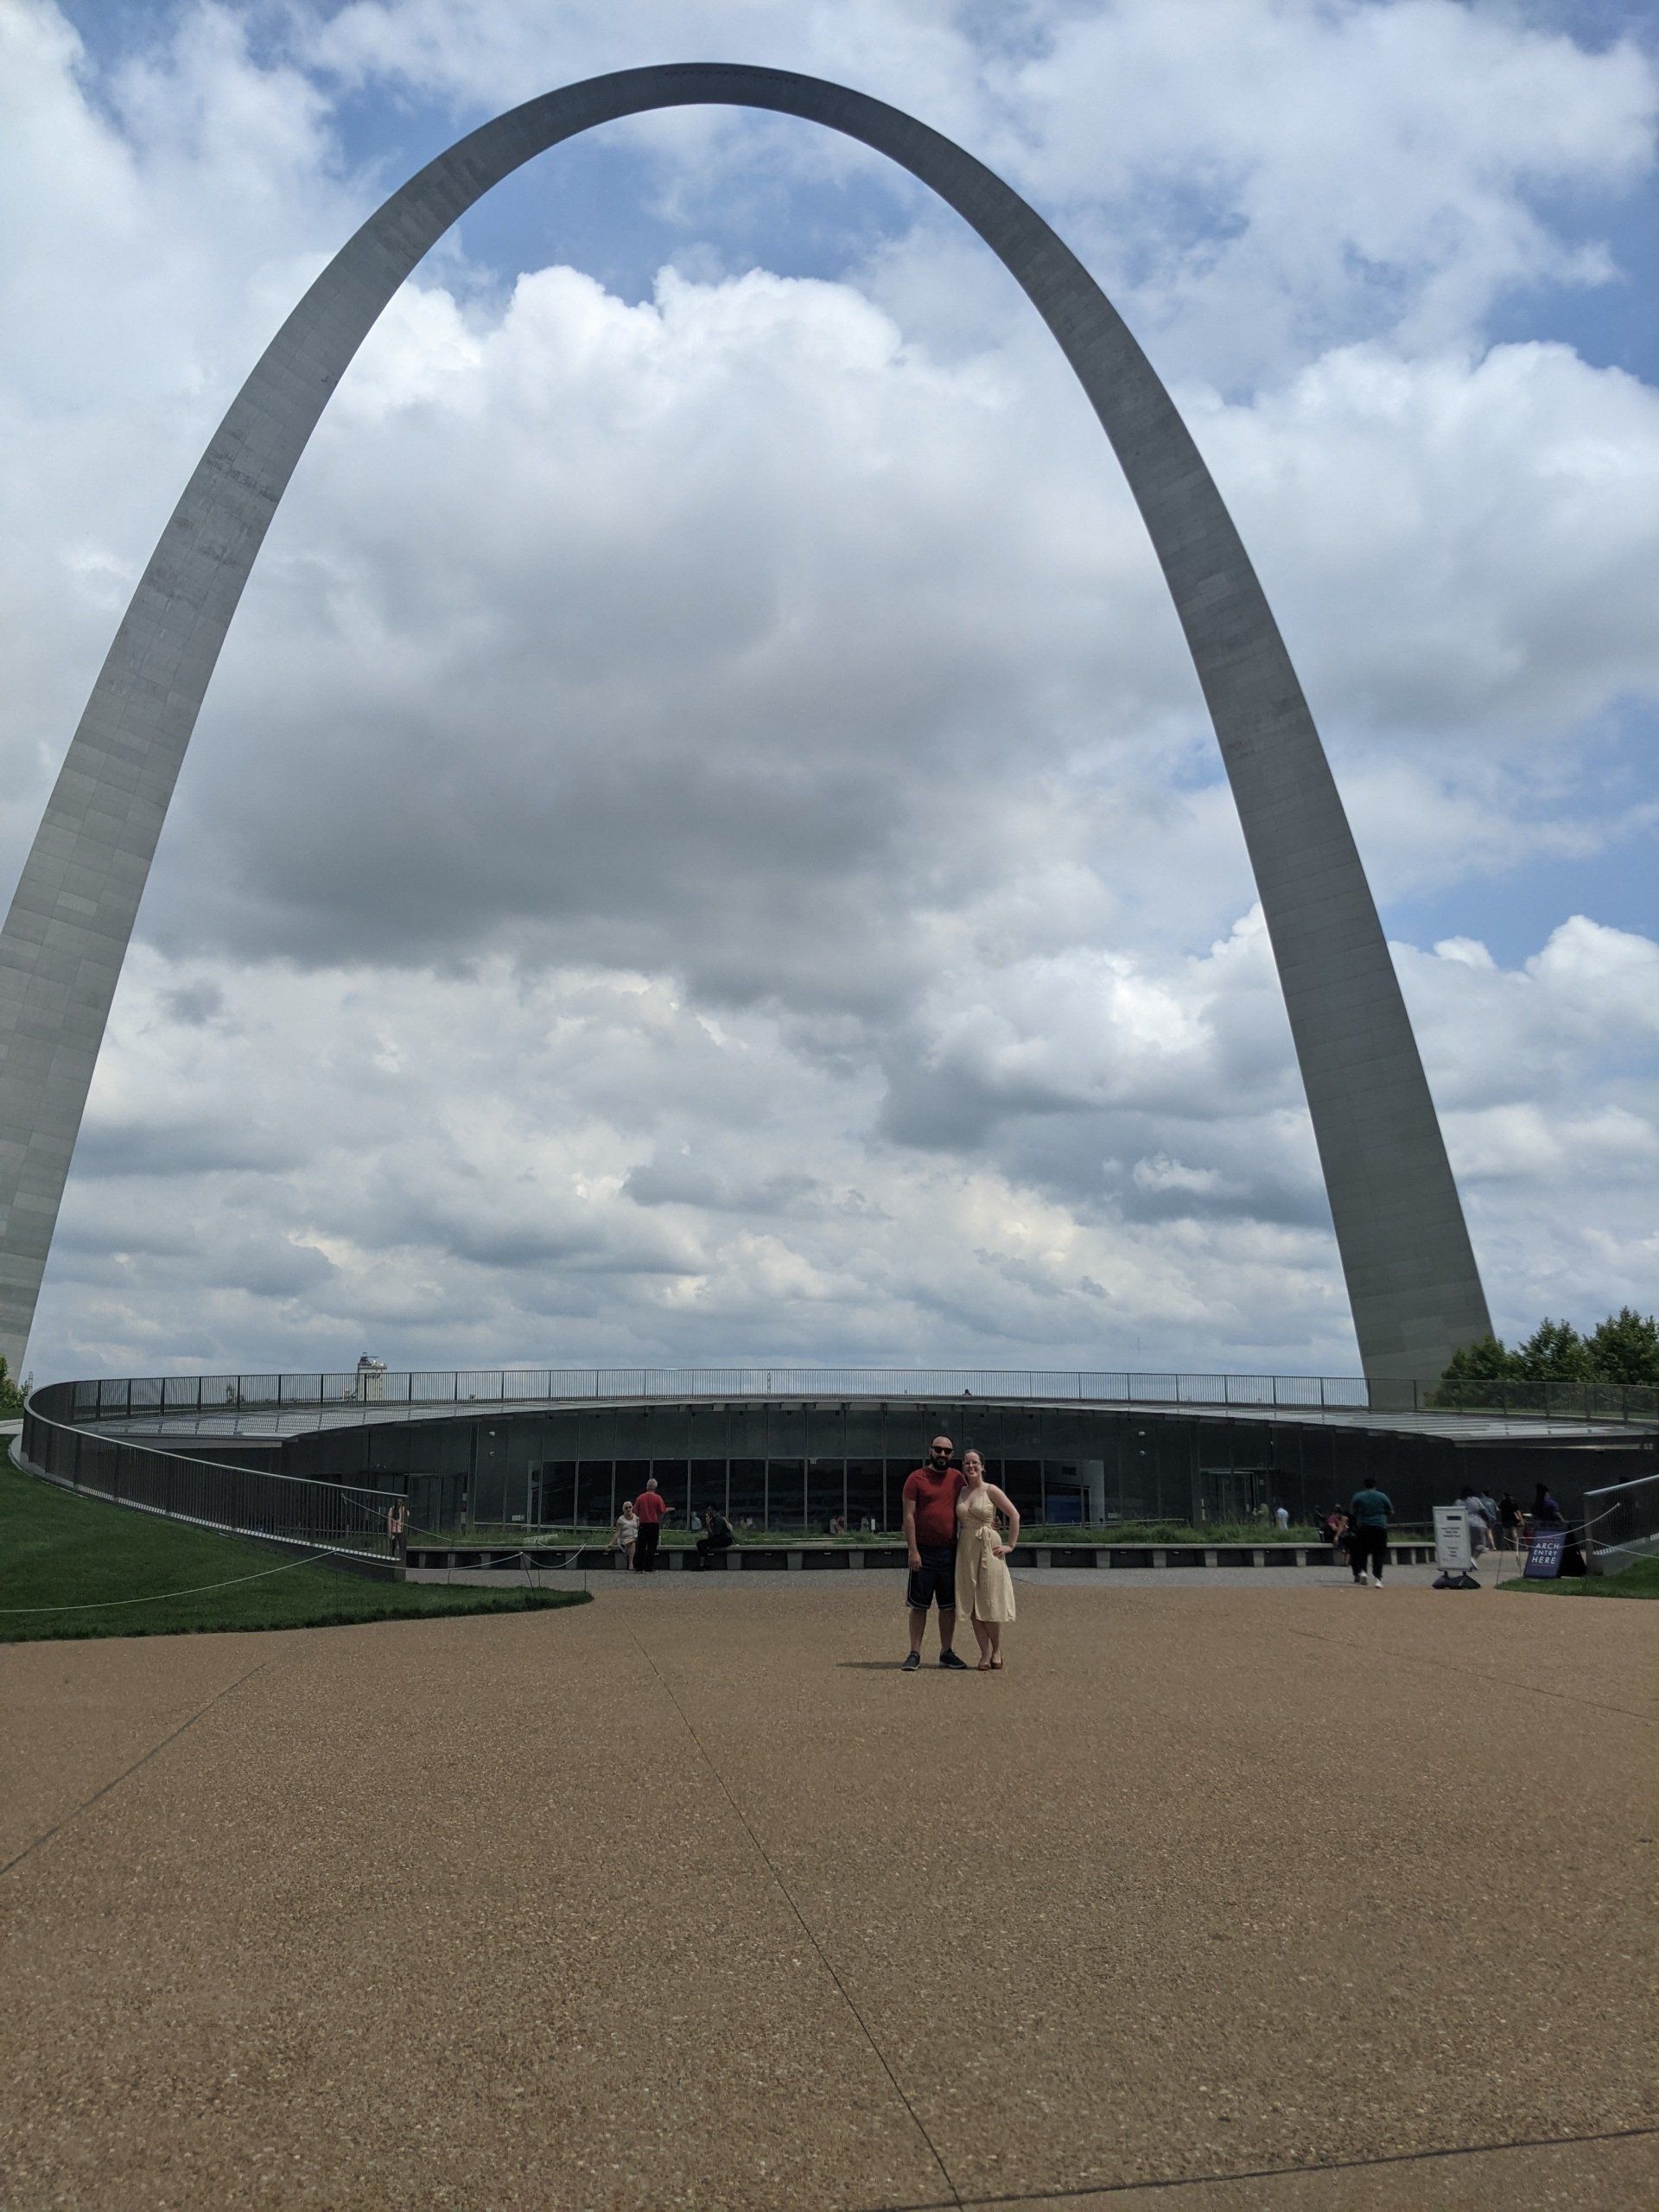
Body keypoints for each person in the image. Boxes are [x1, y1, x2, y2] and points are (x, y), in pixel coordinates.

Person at [901, 1436, 969, 1672]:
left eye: (947, 1451)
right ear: (930, 1451)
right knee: (919, 1605)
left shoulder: (957, 1479)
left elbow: (973, 1503)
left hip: (950, 1551)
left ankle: (946, 1651)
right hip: (924, 1552)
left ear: (952, 1455)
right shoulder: (916, 1479)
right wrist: (913, 1550)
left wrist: (991, 1520)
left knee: (948, 1606)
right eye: (938, 1450)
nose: (942, 1454)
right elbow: (908, 1516)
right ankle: (914, 1652)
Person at [956, 1450, 1019, 1670]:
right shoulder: (961, 1491)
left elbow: (1014, 1514)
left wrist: (1010, 1545)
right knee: (972, 1604)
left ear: (982, 1466)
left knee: (989, 1602)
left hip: (989, 1548)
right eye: (967, 1463)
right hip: (966, 1548)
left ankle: (997, 1649)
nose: (970, 1466)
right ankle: (983, 1652)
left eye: (975, 1463)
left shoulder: (990, 1490)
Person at [1347, 1481, 1393, 1586]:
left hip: (1363, 1527)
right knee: (1379, 1553)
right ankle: (1378, 1579)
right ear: (1375, 1486)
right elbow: (1390, 1511)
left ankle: (1363, 1572)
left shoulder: (1358, 1496)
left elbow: (1352, 1512)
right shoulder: (1382, 1496)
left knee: (1362, 1552)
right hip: (1379, 1527)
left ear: (1364, 1486)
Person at [632, 1477, 671, 1572]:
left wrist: (641, 1515)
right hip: (654, 1524)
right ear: (655, 1487)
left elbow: (635, 1510)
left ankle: (639, 1566)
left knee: (641, 1546)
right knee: (652, 1546)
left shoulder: (640, 1497)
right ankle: (649, 1567)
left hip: (643, 1524)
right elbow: (662, 1510)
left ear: (647, 1487)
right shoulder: (658, 1498)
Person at [1458, 1486, 1494, 1567]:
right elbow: (1482, 1512)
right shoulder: (1475, 1500)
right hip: (1477, 1523)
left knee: (1469, 1544)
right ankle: (1473, 1559)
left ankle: (1469, 1561)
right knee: (1481, 1543)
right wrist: (1488, 1522)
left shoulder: (1458, 1502)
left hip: (1463, 1524)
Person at [695, 1503, 734, 1568]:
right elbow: (710, 1536)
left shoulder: (718, 1519)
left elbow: (715, 1534)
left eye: (709, 1510)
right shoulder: (713, 1519)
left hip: (725, 1539)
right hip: (720, 1538)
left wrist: (708, 1525)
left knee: (701, 1544)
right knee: (702, 1544)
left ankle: (702, 1565)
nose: (707, 1512)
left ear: (714, 1511)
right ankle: (706, 1564)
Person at [611, 1497, 639, 1572]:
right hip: (625, 1539)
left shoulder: (636, 1518)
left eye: (630, 1507)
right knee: (632, 1543)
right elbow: (617, 1532)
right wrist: (611, 1543)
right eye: (626, 1508)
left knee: (635, 1540)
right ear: (624, 1509)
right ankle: (631, 1565)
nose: (629, 1509)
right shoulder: (621, 1519)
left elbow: (640, 1529)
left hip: (635, 1537)